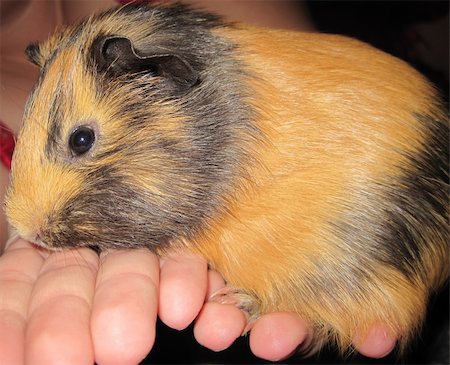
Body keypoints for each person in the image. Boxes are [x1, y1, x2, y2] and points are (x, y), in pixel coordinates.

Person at [0, 1, 397, 364]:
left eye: (82, 141)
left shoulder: (190, 82)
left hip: (375, 216)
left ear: (157, 76)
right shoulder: (68, 55)